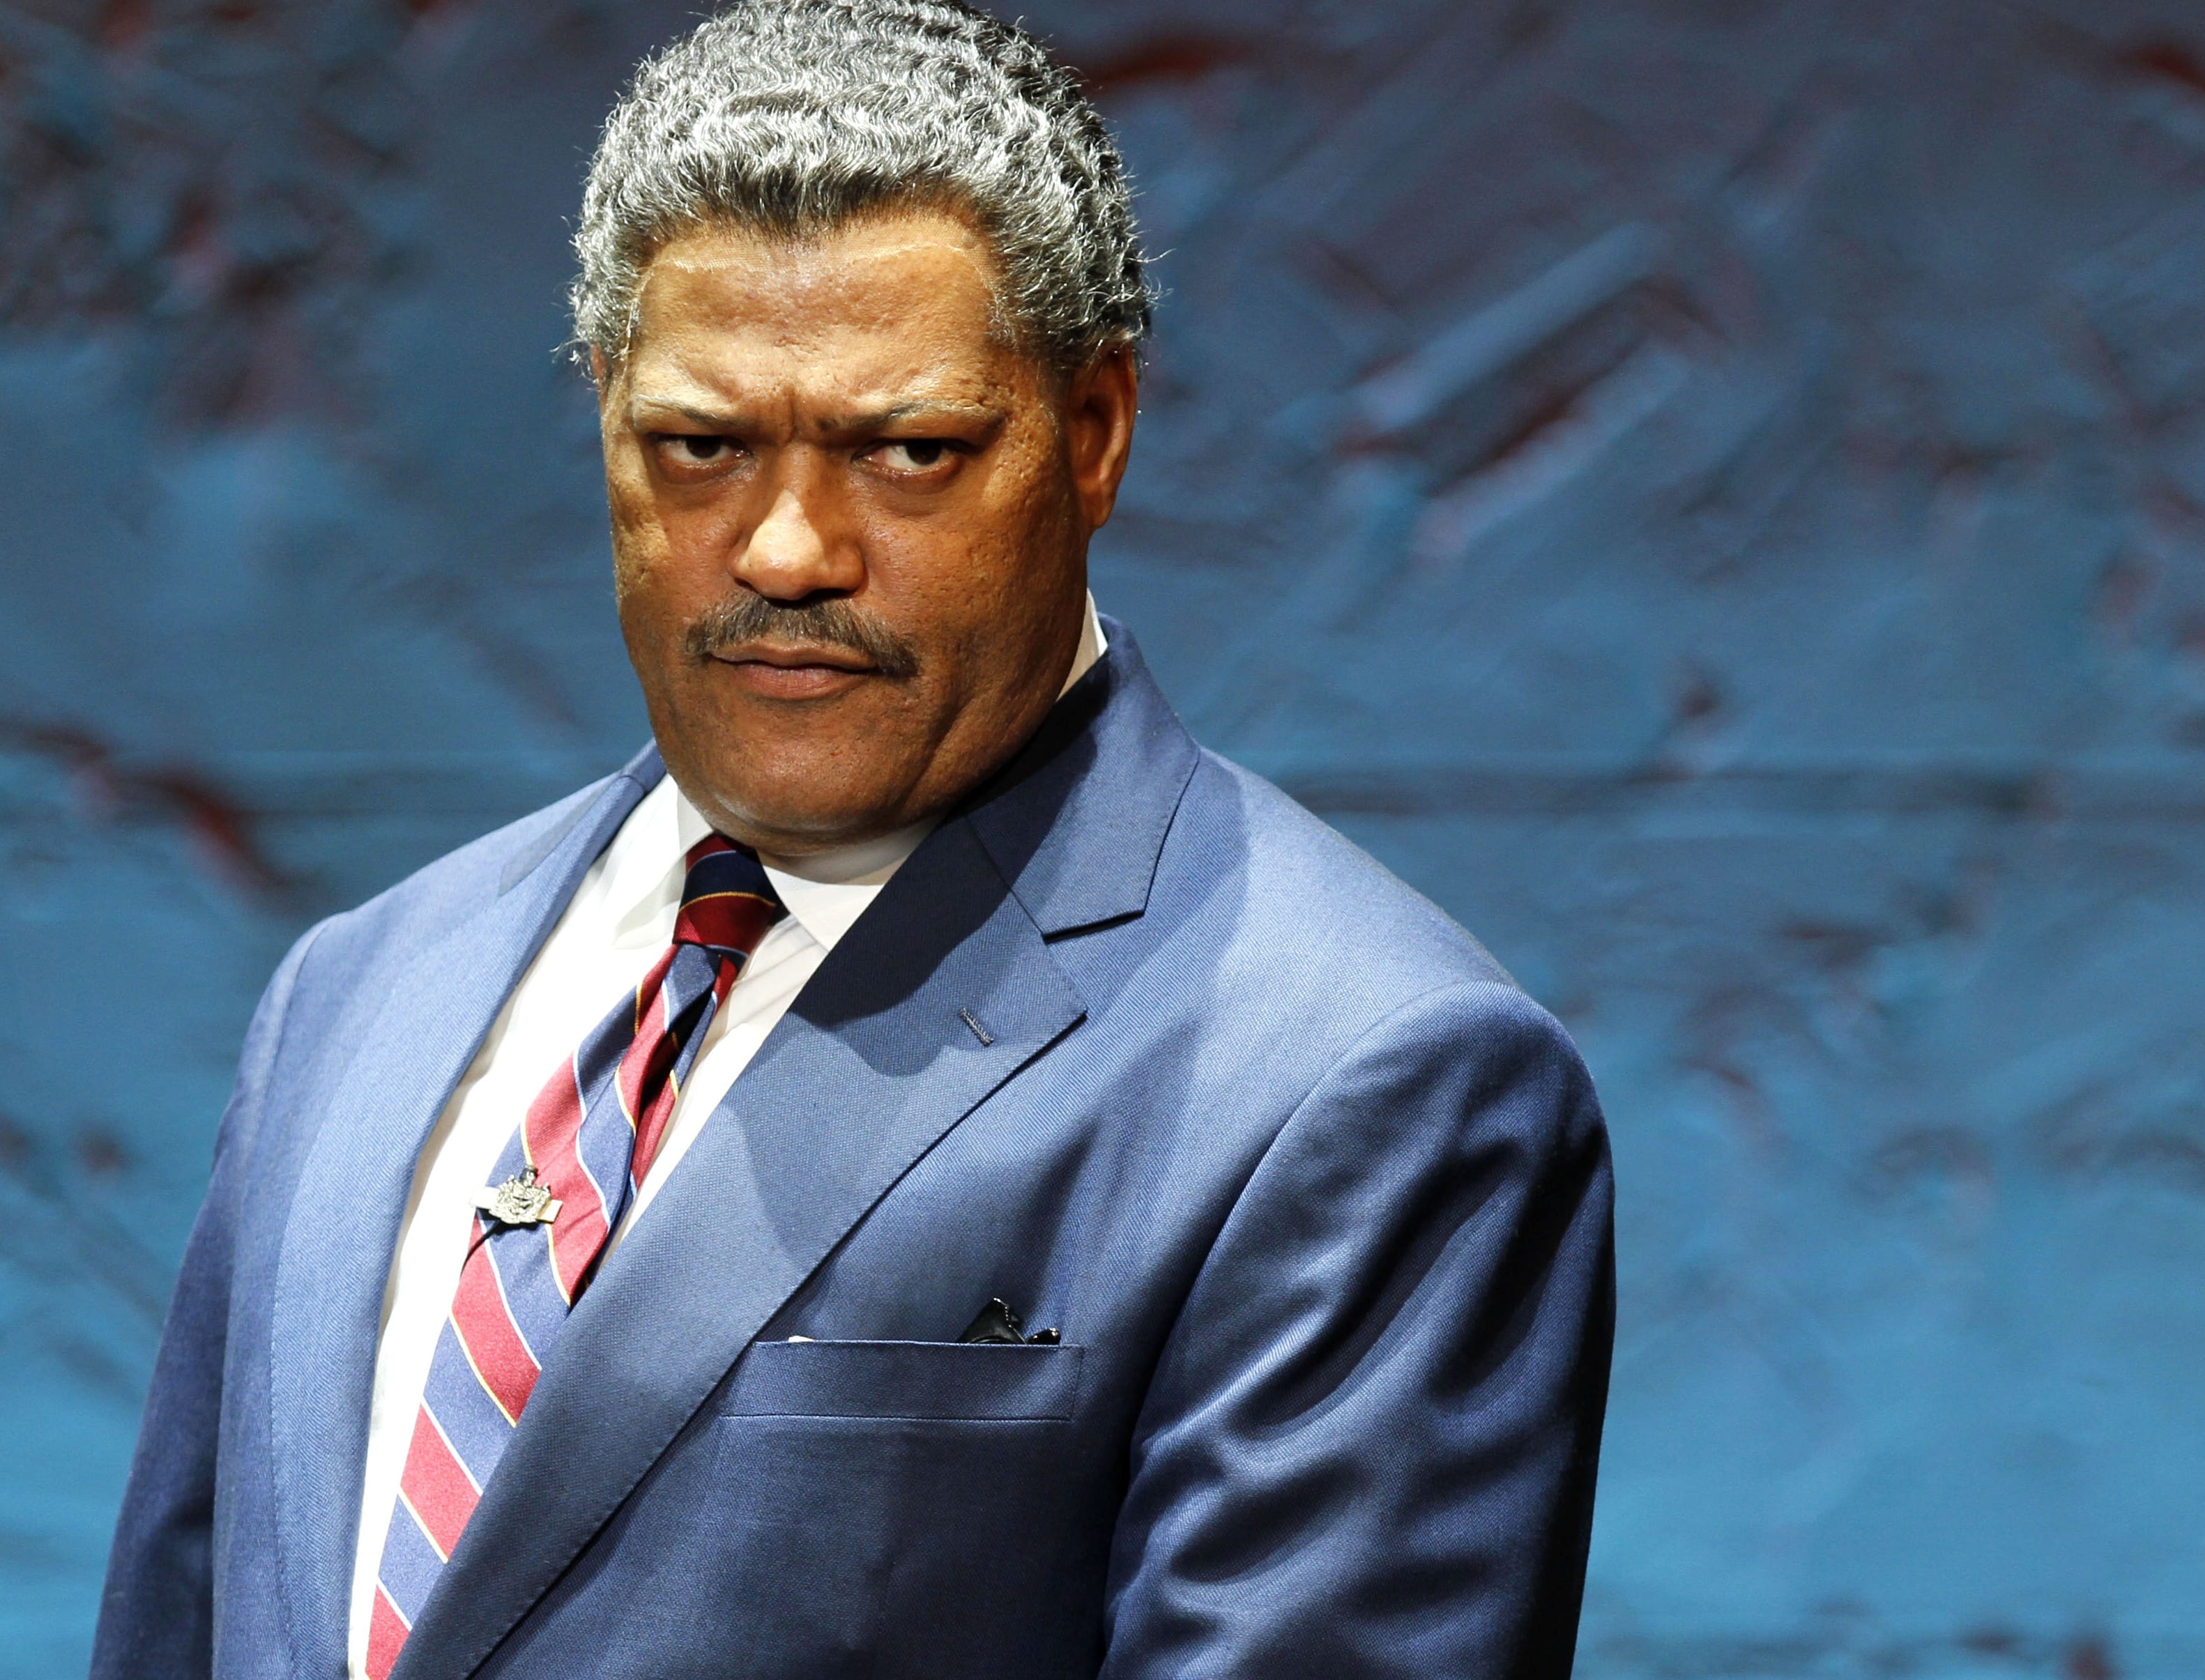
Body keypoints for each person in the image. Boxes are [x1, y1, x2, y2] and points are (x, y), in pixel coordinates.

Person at [90, 3, 1612, 1676]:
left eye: (907, 452)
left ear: (1095, 432)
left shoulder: (1363, 1077)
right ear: (602, 413)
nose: (788, 548)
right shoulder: (355, 993)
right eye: (700, 446)